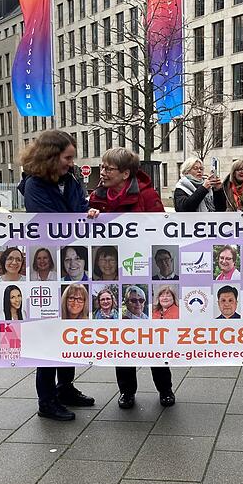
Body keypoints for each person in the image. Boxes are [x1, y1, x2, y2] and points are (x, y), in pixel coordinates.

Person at [18, 129, 97, 421]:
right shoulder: (35, 186)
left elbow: (77, 210)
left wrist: (89, 212)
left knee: (69, 332)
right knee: (49, 336)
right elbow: (54, 223)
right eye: (67, 158)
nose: (71, 163)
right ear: (52, 157)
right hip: (51, 269)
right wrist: (79, 216)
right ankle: (46, 400)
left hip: (70, 264)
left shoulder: (70, 180)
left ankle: (65, 387)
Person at [89, 147, 175, 409]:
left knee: (153, 339)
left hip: (143, 274)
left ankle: (165, 389)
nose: (102, 172)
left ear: (126, 173)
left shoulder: (147, 195)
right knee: (121, 340)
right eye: (102, 167)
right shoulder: (97, 197)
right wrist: (90, 215)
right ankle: (126, 391)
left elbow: (162, 229)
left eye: (108, 169)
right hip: (116, 276)